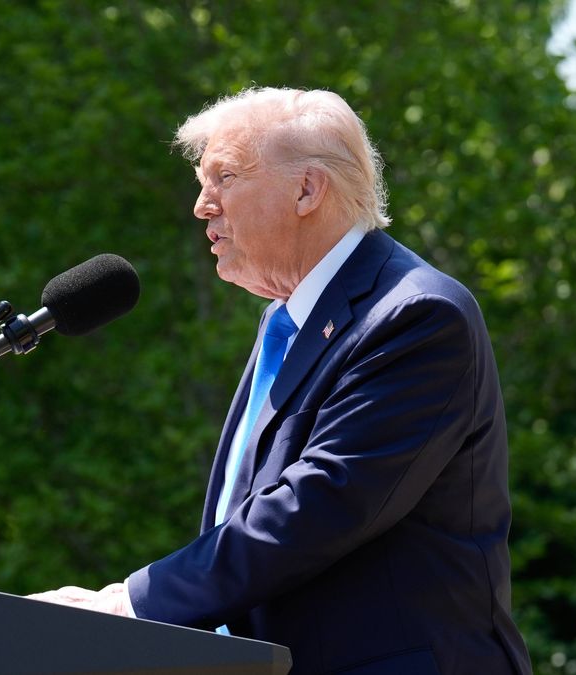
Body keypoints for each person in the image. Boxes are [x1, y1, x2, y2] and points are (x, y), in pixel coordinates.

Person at [31, 87, 532, 675]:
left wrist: (130, 603)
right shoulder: (287, 319)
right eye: (201, 181)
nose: (202, 205)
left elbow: (319, 505)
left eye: (223, 177)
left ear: (306, 189)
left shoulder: (416, 315)